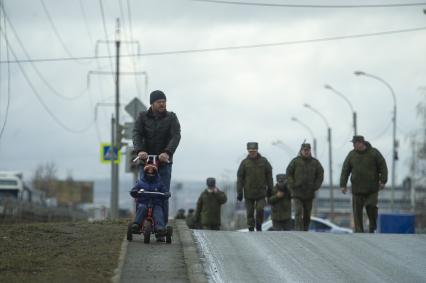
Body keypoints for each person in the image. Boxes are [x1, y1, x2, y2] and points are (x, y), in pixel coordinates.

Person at [133, 90, 181, 227]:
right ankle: (138, 223)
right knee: (142, 192)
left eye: (164, 101)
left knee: (162, 194)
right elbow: (136, 133)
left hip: (164, 162)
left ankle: (161, 227)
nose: (162, 104)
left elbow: (176, 136)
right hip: (145, 161)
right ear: (152, 103)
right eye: (159, 102)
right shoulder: (142, 117)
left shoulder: (171, 117)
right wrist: (140, 150)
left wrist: (167, 152)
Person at [340, 135, 388, 233]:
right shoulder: (351, 155)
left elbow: (383, 166)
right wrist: (343, 185)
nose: (353, 145)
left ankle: (372, 225)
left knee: (371, 206)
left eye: (355, 143)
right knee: (357, 213)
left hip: (372, 189)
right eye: (353, 143)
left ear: (361, 143)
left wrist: (383, 181)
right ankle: (359, 232)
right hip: (357, 189)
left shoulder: (374, 153)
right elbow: (345, 170)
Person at [286, 143, 324, 231]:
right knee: (298, 212)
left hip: (309, 192)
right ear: (301, 151)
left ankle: (305, 229)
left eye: (308, 150)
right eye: (305, 150)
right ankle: (298, 229)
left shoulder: (315, 162)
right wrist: (292, 184)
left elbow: (320, 174)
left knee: (307, 213)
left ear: (310, 151)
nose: (306, 152)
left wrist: (316, 186)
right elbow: (288, 173)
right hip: (297, 192)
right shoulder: (295, 161)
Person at [237, 142, 273, 231]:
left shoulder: (264, 161)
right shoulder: (244, 163)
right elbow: (240, 178)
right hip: (249, 192)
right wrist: (239, 192)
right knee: (250, 212)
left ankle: (259, 224)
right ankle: (251, 227)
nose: (252, 153)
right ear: (248, 151)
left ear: (257, 150)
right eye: (250, 151)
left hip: (261, 192)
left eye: (254, 151)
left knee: (260, 209)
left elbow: (269, 175)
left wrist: (270, 188)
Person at [130, 163, 171, 241]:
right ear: (145, 172)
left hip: (156, 203)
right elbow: (134, 190)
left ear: (155, 172)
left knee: (158, 212)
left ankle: (159, 228)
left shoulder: (159, 183)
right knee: (141, 208)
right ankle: (137, 224)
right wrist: (134, 191)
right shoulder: (140, 182)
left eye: (152, 171)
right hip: (144, 202)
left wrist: (166, 193)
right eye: (148, 171)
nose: (150, 173)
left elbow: (164, 190)